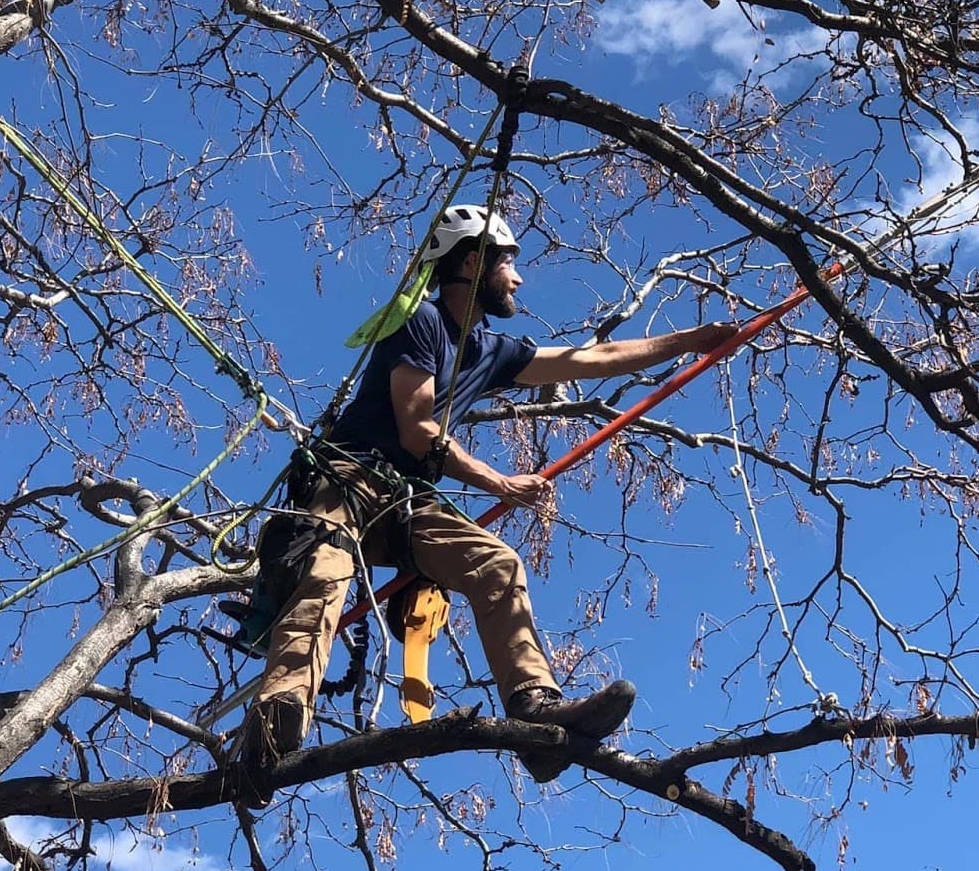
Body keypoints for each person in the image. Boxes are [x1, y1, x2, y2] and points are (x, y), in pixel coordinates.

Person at [238, 205, 737, 792]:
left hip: (403, 501)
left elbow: (590, 359)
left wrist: (692, 341)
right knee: (325, 572)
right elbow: (417, 430)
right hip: (346, 481)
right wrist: (500, 482)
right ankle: (277, 717)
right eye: (509, 264)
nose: (519, 279)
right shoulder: (419, 323)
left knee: (496, 563)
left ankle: (535, 711)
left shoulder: (490, 351)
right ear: (473, 262)